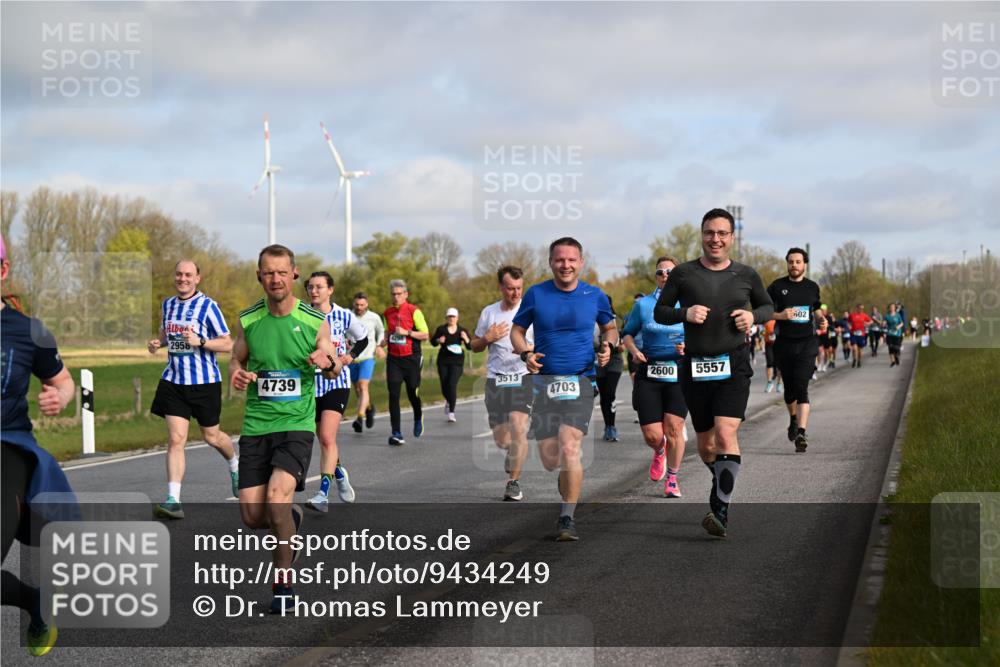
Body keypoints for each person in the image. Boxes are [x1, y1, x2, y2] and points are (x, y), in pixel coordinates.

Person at [230, 245, 341, 614]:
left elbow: (332, 361)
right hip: (256, 425)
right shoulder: (249, 319)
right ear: (258, 275)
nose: (275, 279)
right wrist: (236, 373)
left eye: (281, 272)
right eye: (267, 272)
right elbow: (236, 355)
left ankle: (283, 582)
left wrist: (325, 361)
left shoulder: (312, 320)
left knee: (278, 497)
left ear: (293, 274)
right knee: (252, 517)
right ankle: (290, 521)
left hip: (295, 423)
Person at [654, 208, 773, 538]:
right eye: (710, 232)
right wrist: (685, 313)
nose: (715, 239)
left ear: (732, 237)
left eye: (722, 233)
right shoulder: (682, 274)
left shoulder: (746, 275)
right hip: (695, 366)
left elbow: (767, 307)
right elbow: (661, 312)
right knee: (707, 447)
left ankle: (720, 508)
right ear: (702, 234)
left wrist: (753, 317)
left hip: (733, 364)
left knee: (725, 434)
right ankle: (720, 476)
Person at [511, 237, 616, 541]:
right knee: (550, 458)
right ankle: (567, 483)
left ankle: (566, 518)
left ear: (581, 262)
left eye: (571, 260)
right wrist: (525, 354)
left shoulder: (594, 296)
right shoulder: (536, 294)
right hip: (543, 383)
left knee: (571, 446)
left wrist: (608, 345)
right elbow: (517, 331)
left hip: (581, 379)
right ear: (551, 262)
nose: (566, 265)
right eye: (560, 259)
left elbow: (609, 326)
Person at [1, 235, 76, 656]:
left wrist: (59, 397)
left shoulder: (28, 331)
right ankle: (34, 601)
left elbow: (61, 382)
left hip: (6, 447)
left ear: (3, 271)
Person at [147, 259, 238, 519]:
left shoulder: (208, 306)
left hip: (204, 382)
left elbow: (228, 343)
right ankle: (173, 499)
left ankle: (234, 463)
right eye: (178, 274)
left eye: (188, 275)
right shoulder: (167, 305)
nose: (182, 278)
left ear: (197, 278)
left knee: (212, 437)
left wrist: (202, 341)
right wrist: (158, 343)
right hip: (174, 381)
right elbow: (167, 335)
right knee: (176, 439)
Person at [622, 256, 688, 497]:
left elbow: (703, 334)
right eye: (660, 272)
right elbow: (627, 334)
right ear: (656, 277)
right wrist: (635, 351)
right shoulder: (644, 305)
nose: (665, 276)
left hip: (679, 372)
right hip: (649, 371)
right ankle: (659, 450)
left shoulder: (689, 303)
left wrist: (688, 346)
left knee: (674, 428)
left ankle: (672, 478)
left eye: (670, 272)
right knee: (653, 435)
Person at [303, 272, 369, 512]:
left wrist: (349, 356)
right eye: (310, 287)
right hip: (310, 386)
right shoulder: (301, 315)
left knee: (328, 438)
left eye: (319, 287)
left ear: (330, 289)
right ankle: (339, 472)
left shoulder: (343, 315)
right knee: (321, 438)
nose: (314, 291)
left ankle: (322, 494)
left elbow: (362, 339)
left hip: (336, 383)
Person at [471, 266, 534, 501]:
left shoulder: (530, 312)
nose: (515, 293)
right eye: (510, 288)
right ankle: (511, 451)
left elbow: (542, 344)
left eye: (519, 288)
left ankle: (513, 482)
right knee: (502, 439)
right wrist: (488, 337)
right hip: (496, 380)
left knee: (519, 428)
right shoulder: (489, 313)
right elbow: (475, 346)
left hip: (522, 377)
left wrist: (531, 352)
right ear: (501, 287)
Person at [768, 248, 823, 453]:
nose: (794, 265)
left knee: (802, 386)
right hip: (784, 343)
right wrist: (780, 316)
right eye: (791, 262)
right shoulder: (776, 287)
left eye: (798, 262)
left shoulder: (812, 287)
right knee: (790, 388)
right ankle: (793, 418)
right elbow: (763, 311)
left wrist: (821, 320)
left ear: (804, 264)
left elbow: (816, 310)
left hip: (807, 343)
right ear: (787, 264)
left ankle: (801, 431)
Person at [381, 280, 429, 446]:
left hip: (411, 358)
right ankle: (396, 432)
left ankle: (418, 415)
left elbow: (425, 334)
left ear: (406, 294)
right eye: (393, 294)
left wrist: (407, 332)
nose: (396, 297)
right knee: (393, 394)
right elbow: (388, 332)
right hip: (394, 358)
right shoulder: (387, 313)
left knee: (412, 392)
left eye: (399, 294)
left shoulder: (414, 311)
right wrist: (383, 343)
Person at [348, 292, 385, 433]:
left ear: (367, 304)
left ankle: (359, 417)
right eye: (357, 305)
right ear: (354, 304)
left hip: (368, 356)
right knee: (357, 389)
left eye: (362, 305)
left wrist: (379, 345)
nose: (359, 307)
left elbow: (381, 331)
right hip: (351, 357)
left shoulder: (374, 317)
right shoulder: (348, 315)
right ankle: (369, 408)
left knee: (363, 387)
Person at [430, 307, 471, 423]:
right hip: (443, 361)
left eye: (453, 317)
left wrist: (466, 339)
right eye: (449, 317)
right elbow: (432, 342)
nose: (451, 319)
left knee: (452, 385)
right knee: (444, 386)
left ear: (457, 318)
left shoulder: (462, 330)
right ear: (446, 318)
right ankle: (449, 400)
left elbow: (470, 347)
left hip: (457, 362)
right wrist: (438, 341)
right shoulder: (441, 329)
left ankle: (451, 412)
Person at [594, 296, 624, 442]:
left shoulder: (617, 320)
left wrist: (616, 346)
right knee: (604, 395)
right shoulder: (593, 319)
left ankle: (612, 426)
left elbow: (623, 342)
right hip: (599, 359)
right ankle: (607, 426)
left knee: (610, 393)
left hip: (615, 360)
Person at [847, 304, 873, 368]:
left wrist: (867, 324)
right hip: (853, 334)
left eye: (862, 308)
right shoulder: (852, 315)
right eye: (860, 308)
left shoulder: (864, 315)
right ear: (857, 308)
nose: (861, 310)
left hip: (861, 334)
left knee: (860, 349)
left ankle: (859, 360)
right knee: (854, 348)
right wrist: (849, 326)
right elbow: (848, 322)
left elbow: (871, 321)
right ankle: (854, 359)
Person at [762, 318, 782, 393]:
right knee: (769, 363)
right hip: (769, 343)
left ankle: (779, 384)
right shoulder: (767, 316)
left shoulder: (780, 315)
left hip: (779, 343)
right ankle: (769, 382)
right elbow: (762, 328)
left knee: (780, 364)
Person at [884, 302, 905, 367]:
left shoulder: (898, 315)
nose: (892, 308)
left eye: (893, 307)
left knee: (896, 347)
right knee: (890, 347)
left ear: (895, 308)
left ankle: (896, 356)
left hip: (897, 334)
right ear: (889, 308)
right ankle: (892, 361)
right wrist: (883, 324)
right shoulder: (886, 316)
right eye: (891, 307)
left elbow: (902, 323)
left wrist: (898, 327)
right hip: (889, 334)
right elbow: (884, 323)